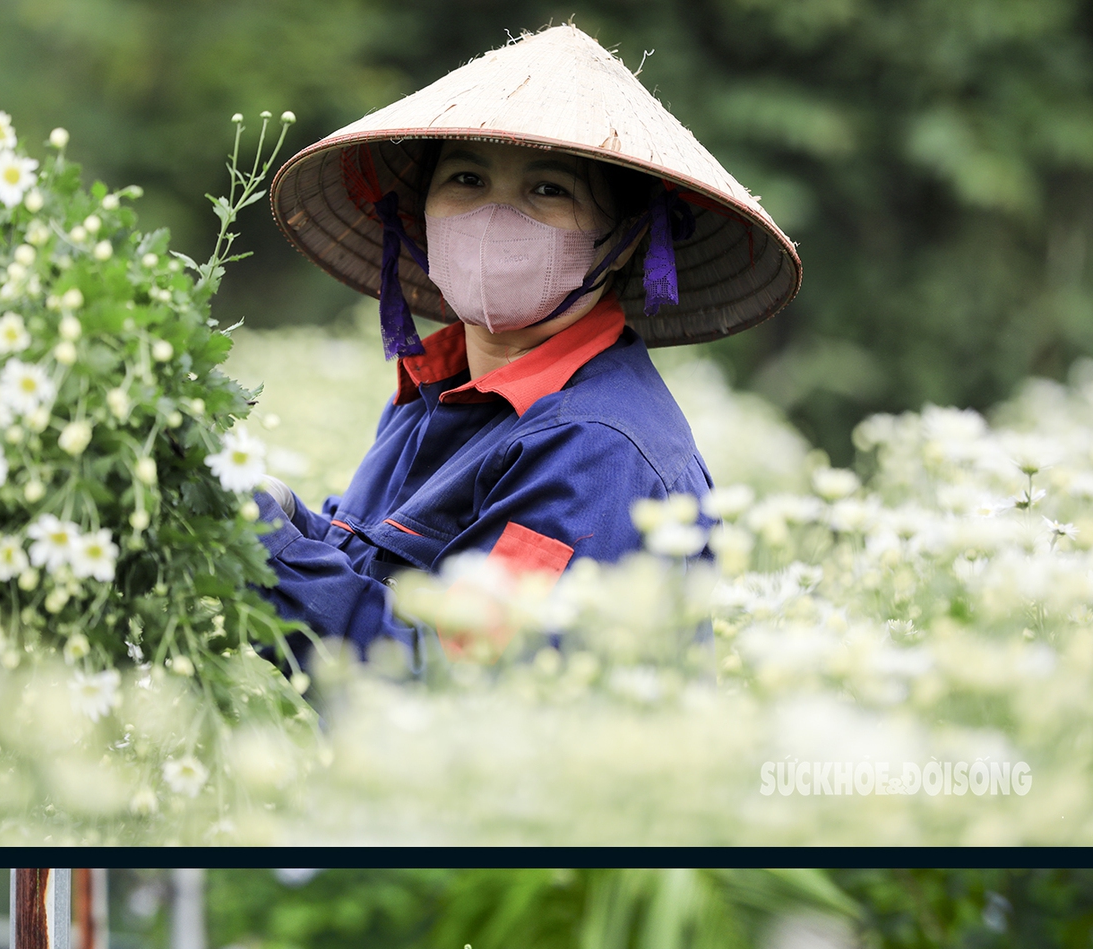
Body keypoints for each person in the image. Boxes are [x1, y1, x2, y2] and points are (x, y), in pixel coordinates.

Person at [252, 22, 802, 660]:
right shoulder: (432, 390)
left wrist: (269, 554)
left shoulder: (596, 449)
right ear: (421, 212)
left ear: (623, 242)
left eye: (548, 190)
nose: (493, 217)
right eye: (466, 180)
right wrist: (288, 520)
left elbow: (457, 676)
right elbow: (382, 576)